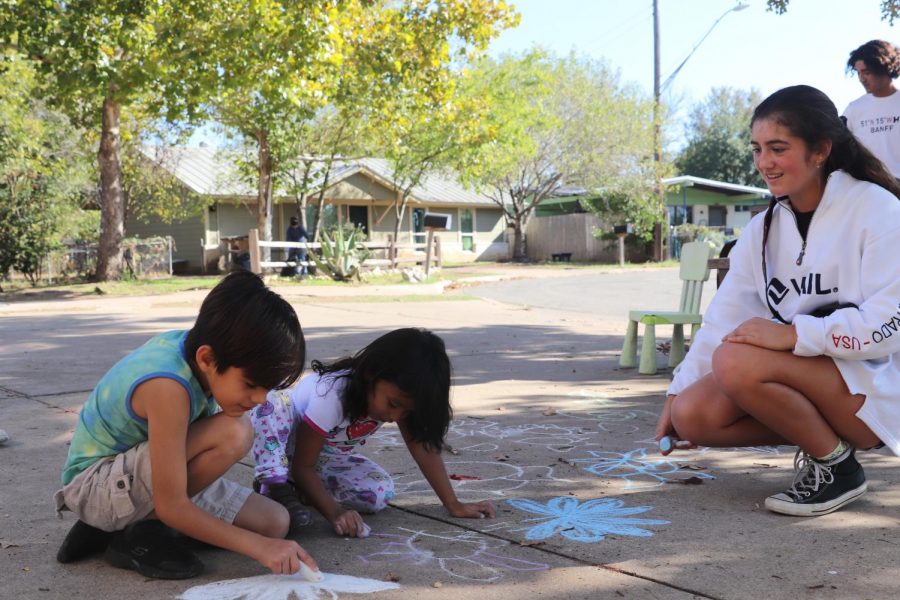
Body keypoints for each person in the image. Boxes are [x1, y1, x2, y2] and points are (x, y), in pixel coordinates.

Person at [656, 85, 900, 517]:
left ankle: (838, 469)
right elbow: (723, 317)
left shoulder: (877, 209)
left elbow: (889, 326)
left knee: (737, 359)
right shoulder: (765, 227)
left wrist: (791, 334)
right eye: (757, 149)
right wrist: (676, 392)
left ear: (820, 150)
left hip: (879, 387)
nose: (764, 163)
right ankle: (825, 446)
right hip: (823, 378)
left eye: (778, 148)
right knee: (694, 414)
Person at [54, 271, 317, 579]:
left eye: (268, 387)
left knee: (274, 523)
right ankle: (137, 531)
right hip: (96, 486)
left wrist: (264, 540)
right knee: (235, 431)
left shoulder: (201, 348)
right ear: (207, 358)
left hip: (147, 474)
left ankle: (120, 527)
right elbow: (172, 504)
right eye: (251, 383)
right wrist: (259, 548)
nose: (260, 398)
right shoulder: (168, 387)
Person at [250, 327, 496, 536]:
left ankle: (299, 492)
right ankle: (275, 485)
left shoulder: (397, 402)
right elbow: (303, 465)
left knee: (379, 492)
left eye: (406, 412)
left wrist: (452, 504)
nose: (395, 417)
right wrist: (334, 512)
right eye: (393, 405)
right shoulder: (333, 394)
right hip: (284, 449)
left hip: (320, 460)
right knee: (272, 402)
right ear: (370, 374)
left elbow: (422, 447)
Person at [843, 40, 900, 177]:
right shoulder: (853, 109)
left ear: (884, 68)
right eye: (858, 73)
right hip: (871, 187)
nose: (862, 78)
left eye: (866, 72)